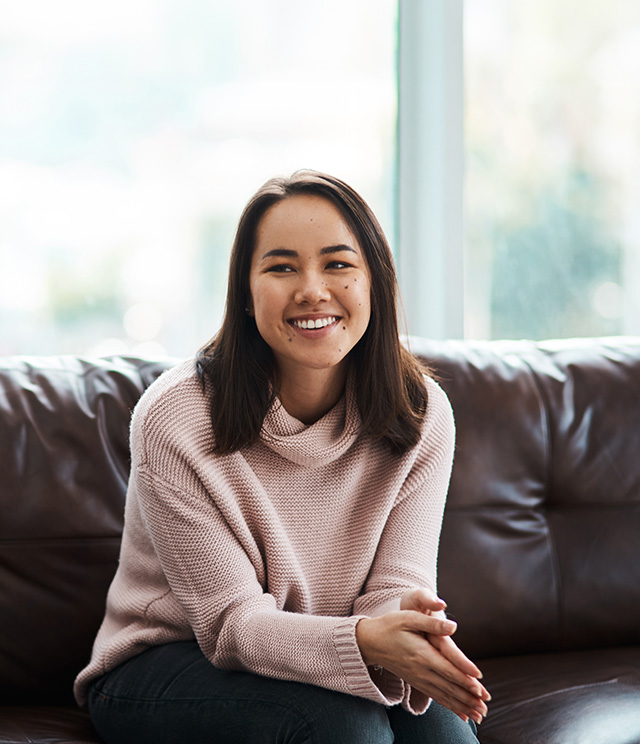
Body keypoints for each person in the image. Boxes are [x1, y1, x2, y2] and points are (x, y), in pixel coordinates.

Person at [75, 170, 490, 743]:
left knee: (440, 734)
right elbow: (231, 627)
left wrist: (412, 628)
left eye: (339, 264)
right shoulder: (176, 418)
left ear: (375, 283)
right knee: (344, 728)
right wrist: (369, 641)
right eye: (281, 267)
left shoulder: (420, 411)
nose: (312, 290)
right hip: (166, 662)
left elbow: (396, 582)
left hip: (333, 646)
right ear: (246, 294)